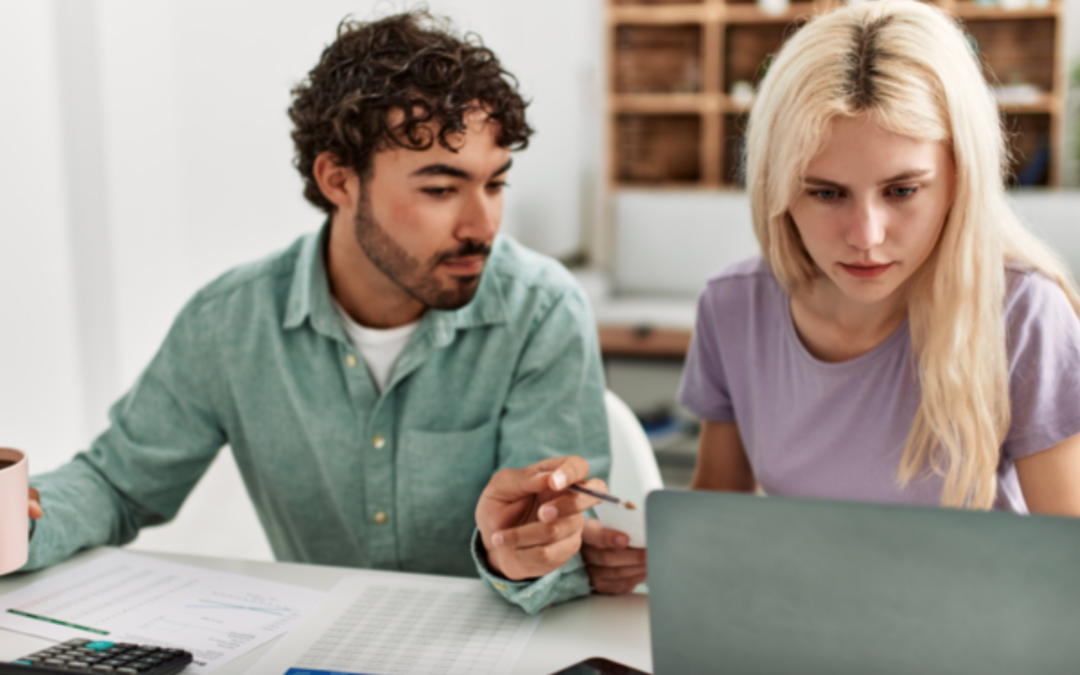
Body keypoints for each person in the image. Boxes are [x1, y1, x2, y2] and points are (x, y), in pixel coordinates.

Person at [21, 10, 617, 614]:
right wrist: (20, 520)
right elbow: (117, 484)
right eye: (441, 189)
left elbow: (561, 551)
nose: (481, 225)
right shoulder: (230, 321)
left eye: (494, 185)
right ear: (338, 179)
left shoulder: (541, 310)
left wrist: (522, 555)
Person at [679, 0, 1080, 514]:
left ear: (961, 177)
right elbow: (717, 509)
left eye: (902, 190)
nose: (865, 237)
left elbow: (1066, 565)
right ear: (773, 186)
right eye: (826, 194)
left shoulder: (1023, 314)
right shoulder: (733, 306)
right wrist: (635, 548)